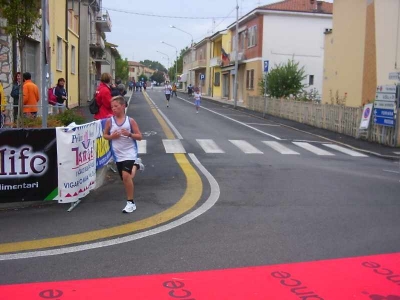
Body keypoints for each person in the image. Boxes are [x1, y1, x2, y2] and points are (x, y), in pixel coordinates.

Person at [103, 95, 144, 213]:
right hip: (118, 154)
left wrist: (129, 134)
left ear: (123, 106)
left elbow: (140, 136)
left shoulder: (130, 121)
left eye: (116, 106)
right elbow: (105, 135)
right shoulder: (109, 121)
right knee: (127, 178)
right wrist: (112, 136)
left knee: (126, 176)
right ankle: (136, 166)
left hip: (130, 152)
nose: (114, 109)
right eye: (112, 107)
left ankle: (130, 203)